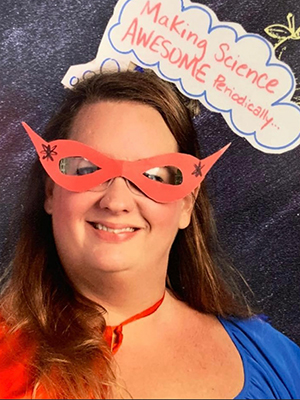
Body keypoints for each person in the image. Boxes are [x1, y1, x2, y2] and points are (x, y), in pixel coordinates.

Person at [0, 70, 299, 399]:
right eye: (87, 169)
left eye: (153, 175)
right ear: (51, 192)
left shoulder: (276, 363)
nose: (116, 201)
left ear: (187, 204)